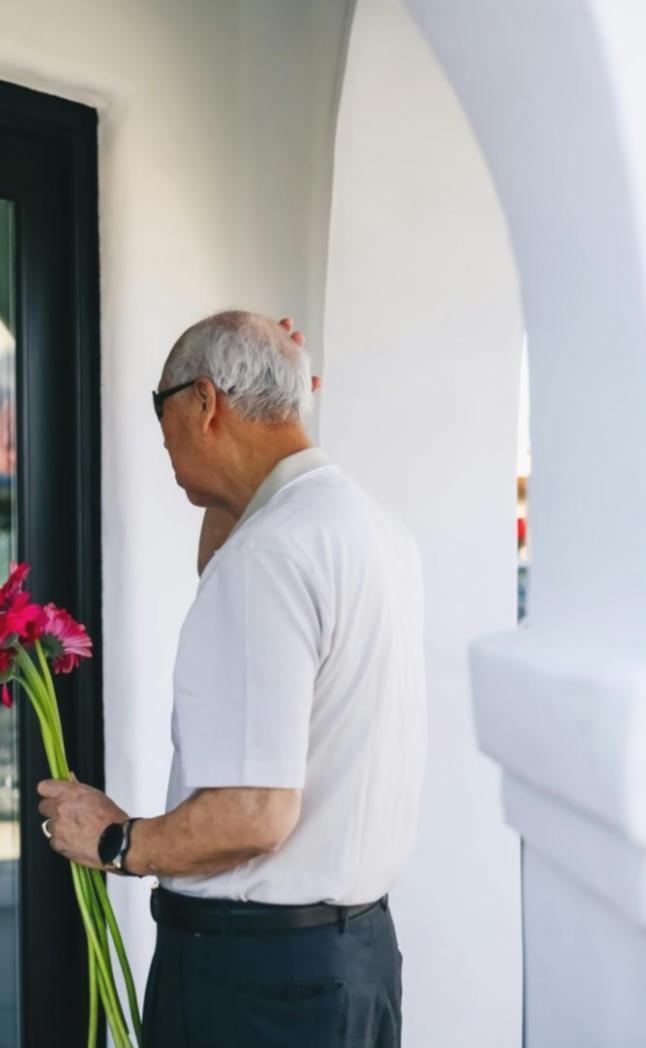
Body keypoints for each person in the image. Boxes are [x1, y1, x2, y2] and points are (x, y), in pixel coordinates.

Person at [36, 310, 427, 1046]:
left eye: (164, 416)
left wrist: (116, 840)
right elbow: (232, 557)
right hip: (354, 961)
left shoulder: (272, 555)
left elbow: (254, 814)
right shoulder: (366, 529)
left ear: (205, 403)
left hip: (258, 985)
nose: (163, 443)